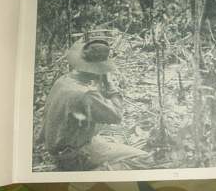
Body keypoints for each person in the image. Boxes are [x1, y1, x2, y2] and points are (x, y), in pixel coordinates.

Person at [43, 35, 149, 171]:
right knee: (142, 157)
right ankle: (97, 173)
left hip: (59, 149)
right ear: (98, 70)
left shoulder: (63, 81)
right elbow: (116, 116)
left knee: (113, 137)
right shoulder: (86, 94)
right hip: (76, 155)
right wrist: (111, 86)